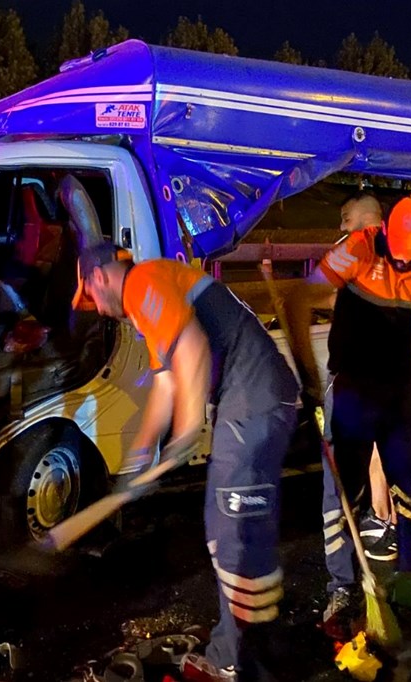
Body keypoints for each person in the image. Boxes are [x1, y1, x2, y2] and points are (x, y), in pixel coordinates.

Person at [73, 243, 299, 681]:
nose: (98, 311)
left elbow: (193, 347)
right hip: (251, 402)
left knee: (234, 533)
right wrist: (141, 457)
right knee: (227, 530)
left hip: (253, 402)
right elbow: (165, 385)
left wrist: (186, 433)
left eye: (91, 298)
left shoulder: (142, 282)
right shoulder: (151, 301)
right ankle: (255, 644)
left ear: (99, 276)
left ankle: (242, 660)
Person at [284, 195, 411, 640]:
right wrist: (309, 375)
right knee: (343, 492)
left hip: (403, 386)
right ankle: (342, 587)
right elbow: (298, 299)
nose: (402, 262)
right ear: (384, 233)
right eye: (396, 253)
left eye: (410, 258)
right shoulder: (358, 248)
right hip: (354, 386)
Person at [337, 193, 399, 562]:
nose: (341, 226)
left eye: (346, 218)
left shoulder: (361, 249)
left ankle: (381, 518)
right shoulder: (394, 248)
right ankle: (387, 518)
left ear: (364, 218)